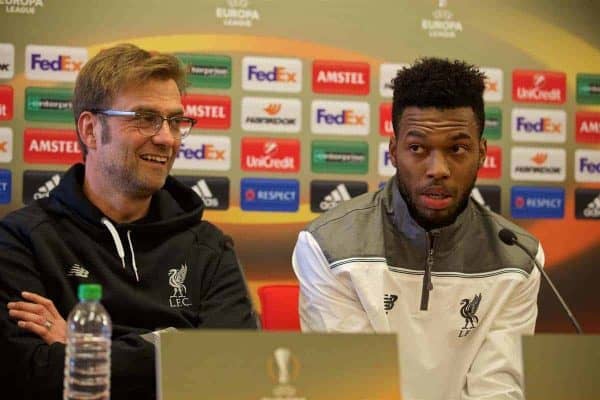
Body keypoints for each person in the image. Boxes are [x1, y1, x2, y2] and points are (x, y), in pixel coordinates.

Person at [0, 44, 257, 399]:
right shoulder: (21, 239)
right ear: (91, 130)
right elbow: (30, 376)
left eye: (175, 121)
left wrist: (82, 347)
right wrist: (181, 350)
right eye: (145, 118)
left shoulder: (209, 247)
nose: (167, 138)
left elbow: (235, 365)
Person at [292, 58, 543, 400]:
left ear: (482, 153)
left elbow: (497, 390)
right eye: (417, 148)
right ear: (394, 151)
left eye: (457, 148)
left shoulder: (520, 258)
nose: (437, 169)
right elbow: (351, 390)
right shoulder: (328, 246)